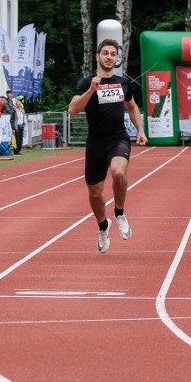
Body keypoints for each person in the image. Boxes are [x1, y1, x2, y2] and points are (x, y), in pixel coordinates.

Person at [68, 39, 147, 254]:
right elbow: (72, 110)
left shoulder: (122, 83)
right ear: (97, 56)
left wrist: (140, 130)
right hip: (95, 142)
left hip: (118, 138)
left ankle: (119, 212)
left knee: (119, 172)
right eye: (105, 53)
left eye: (113, 54)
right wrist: (91, 91)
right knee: (95, 193)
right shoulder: (86, 83)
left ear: (117, 58)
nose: (109, 57)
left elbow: (132, 106)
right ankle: (103, 226)